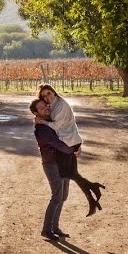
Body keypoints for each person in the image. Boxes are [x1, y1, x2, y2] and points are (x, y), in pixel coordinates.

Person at [30, 98, 105, 242]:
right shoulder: (42, 129)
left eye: (45, 105)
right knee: (57, 195)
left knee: (63, 196)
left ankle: (55, 228)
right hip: (52, 164)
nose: (45, 108)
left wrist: (76, 147)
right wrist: (73, 151)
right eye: (41, 108)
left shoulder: (54, 122)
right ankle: (46, 229)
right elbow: (57, 143)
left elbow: (69, 134)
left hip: (63, 162)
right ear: (35, 113)